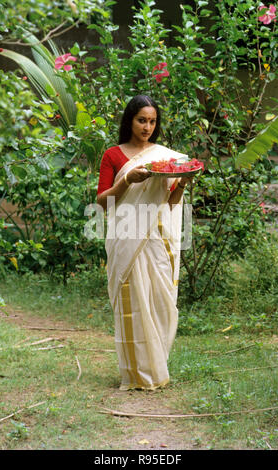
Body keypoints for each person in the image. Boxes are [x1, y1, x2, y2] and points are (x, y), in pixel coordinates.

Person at [97, 95, 191, 391]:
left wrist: (185, 181)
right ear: (130, 121)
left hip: (158, 241)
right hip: (126, 238)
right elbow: (102, 202)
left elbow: (172, 202)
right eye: (141, 120)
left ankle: (156, 366)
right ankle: (137, 373)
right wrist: (128, 181)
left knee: (160, 300)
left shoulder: (165, 157)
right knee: (133, 301)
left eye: (152, 121)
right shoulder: (113, 156)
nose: (147, 127)